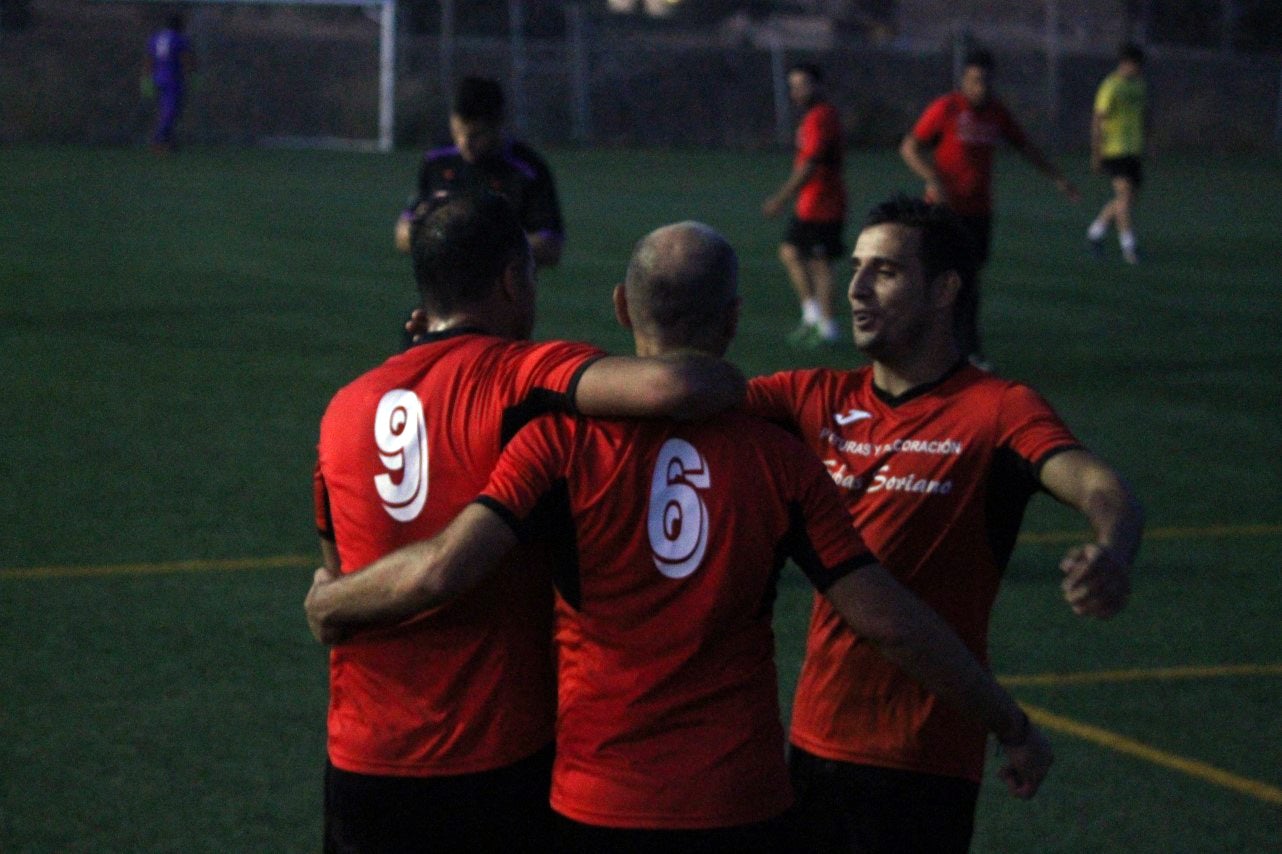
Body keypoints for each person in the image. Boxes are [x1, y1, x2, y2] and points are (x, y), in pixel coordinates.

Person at [308, 220, 1054, 853]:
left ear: (621, 307)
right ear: (731, 318)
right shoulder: (780, 461)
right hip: (739, 798)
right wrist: (1006, 720)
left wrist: (335, 601)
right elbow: (885, 618)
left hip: (593, 796)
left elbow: (448, 565)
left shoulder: (554, 445)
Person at [312, 191, 746, 853]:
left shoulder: (344, 407)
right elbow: (676, 387)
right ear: (513, 280)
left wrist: (329, 603)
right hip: (492, 754)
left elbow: (341, 580)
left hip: (363, 757)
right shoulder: (524, 375)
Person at [747, 194, 1144, 853]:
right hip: (814, 746)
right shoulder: (813, 398)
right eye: (855, 268)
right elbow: (692, 397)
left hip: (924, 761)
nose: (856, 290)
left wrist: (1114, 551)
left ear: (944, 290)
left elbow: (1102, 485)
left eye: (886, 271)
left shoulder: (997, 411)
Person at [899, 47, 1078, 364]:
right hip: (944, 209)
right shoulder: (947, 108)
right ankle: (955, 346)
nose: (980, 87)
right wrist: (932, 178)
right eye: (974, 80)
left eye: (986, 81)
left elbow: (1026, 147)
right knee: (946, 277)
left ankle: (954, 347)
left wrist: (1057, 178)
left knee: (967, 279)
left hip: (978, 210)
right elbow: (910, 147)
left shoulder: (997, 113)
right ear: (964, 80)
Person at [394, 76, 564, 268]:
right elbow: (403, 233)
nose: (464, 143)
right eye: (457, 131)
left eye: (476, 135)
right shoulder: (436, 161)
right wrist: (441, 234)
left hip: (504, 292)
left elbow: (551, 247)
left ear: (498, 125)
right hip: (444, 293)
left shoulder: (527, 170)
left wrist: (483, 247)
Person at [762, 62, 846, 349]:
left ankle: (829, 328)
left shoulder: (821, 117)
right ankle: (812, 317)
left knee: (821, 264)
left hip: (825, 202)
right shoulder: (813, 116)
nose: (796, 91)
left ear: (818, 85)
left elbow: (810, 165)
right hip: (811, 202)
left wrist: (779, 199)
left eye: (802, 85)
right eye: (793, 86)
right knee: (791, 252)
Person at [1087, 43, 1148, 265]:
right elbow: (1097, 120)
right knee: (1124, 198)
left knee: (1127, 200)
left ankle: (1095, 233)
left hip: (1133, 150)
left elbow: (1141, 117)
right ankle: (1129, 248)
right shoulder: (1110, 86)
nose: (1140, 70)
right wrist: (1096, 152)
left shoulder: (1139, 86)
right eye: (1137, 65)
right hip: (1114, 149)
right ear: (1126, 63)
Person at [143, 13, 192, 153]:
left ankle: (168, 142)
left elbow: (149, 58)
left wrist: (146, 78)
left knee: (165, 110)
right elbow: (186, 59)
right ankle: (158, 140)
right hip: (173, 79)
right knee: (171, 112)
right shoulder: (179, 39)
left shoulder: (156, 38)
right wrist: (191, 75)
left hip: (158, 78)